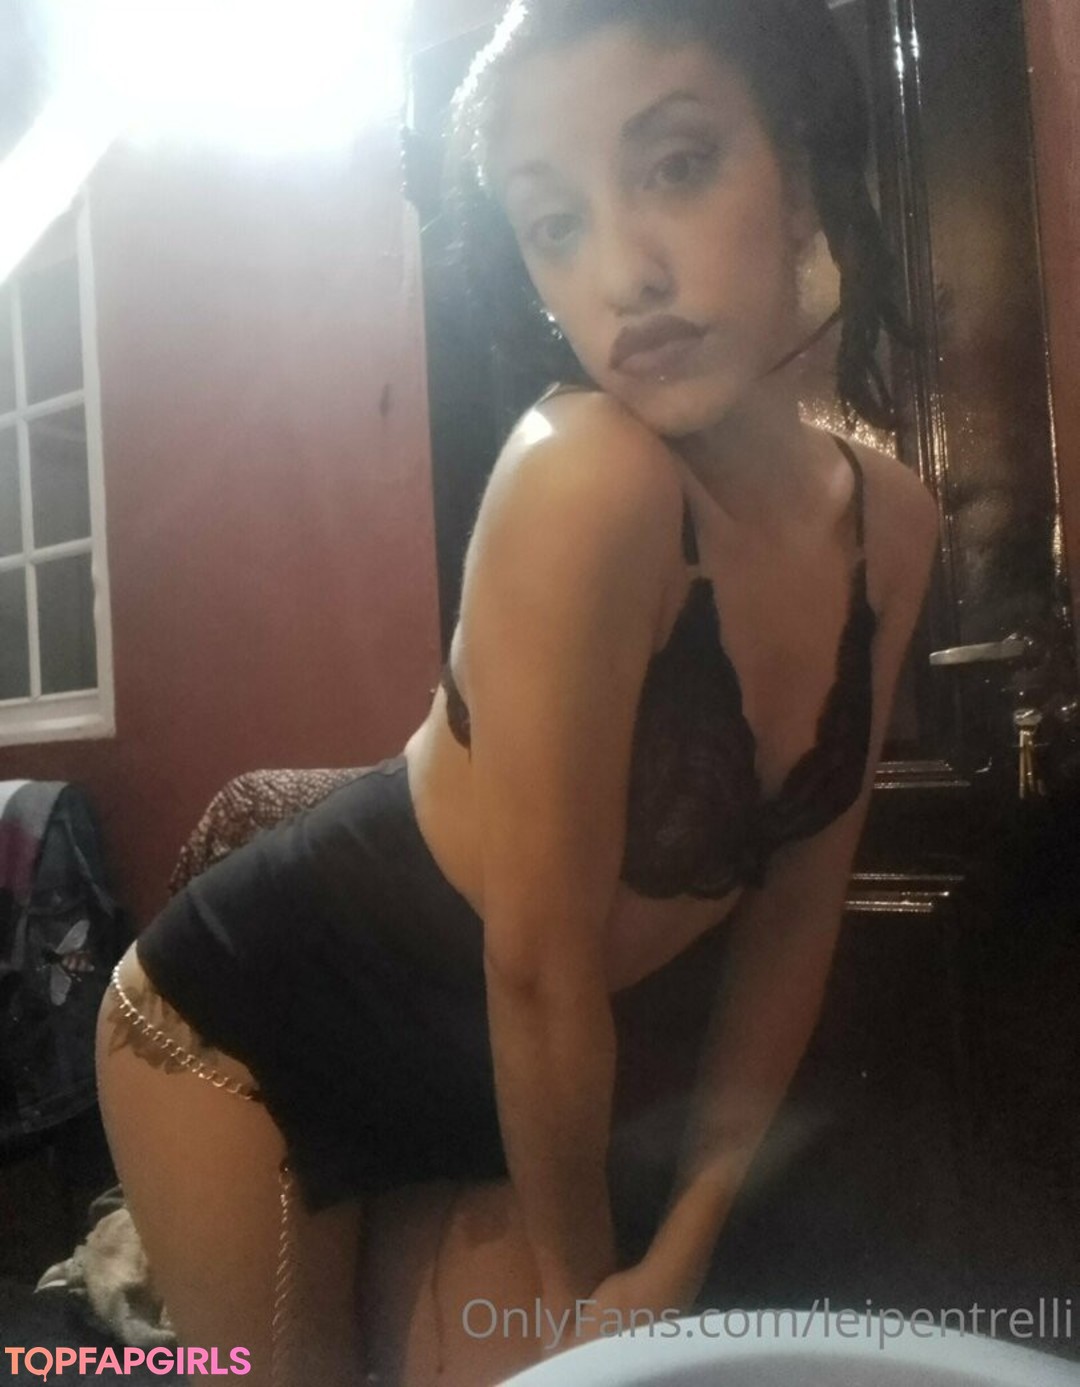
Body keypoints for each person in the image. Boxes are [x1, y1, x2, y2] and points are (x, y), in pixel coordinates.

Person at [95, 0, 939, 1382]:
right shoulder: (582, 478)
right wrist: (586, 1311)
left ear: (796, 172)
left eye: (677, 165)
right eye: (554, 223)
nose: (622, 272)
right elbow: (537, 969)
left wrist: (682, 1250)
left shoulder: (892, 526)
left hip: (485, 1076)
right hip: (241, 1039)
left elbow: (795, 924)